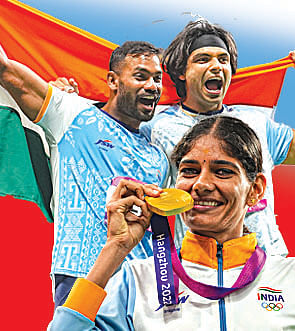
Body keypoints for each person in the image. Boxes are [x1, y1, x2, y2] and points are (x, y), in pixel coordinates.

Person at [48, 116, 295, 330]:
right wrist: (114, 248)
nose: (201, 184)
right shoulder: (135, 283)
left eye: (222, 171)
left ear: (255, 189)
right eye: (189, 170)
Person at [139, 19, 295, 255]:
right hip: (197, 266)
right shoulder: (156, 129)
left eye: (223, 59)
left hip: (267, 262)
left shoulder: (255, 122)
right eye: (203, 59)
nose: (217, 66)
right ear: (181, 73)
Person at [0, 41, 169, 307]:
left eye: (158, 78)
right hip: (83, 276)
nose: (153, 86)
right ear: (113, 80)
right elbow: (6, 70)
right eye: (140, 76)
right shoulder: (71, 114)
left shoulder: (159, 151)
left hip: (146, 287)